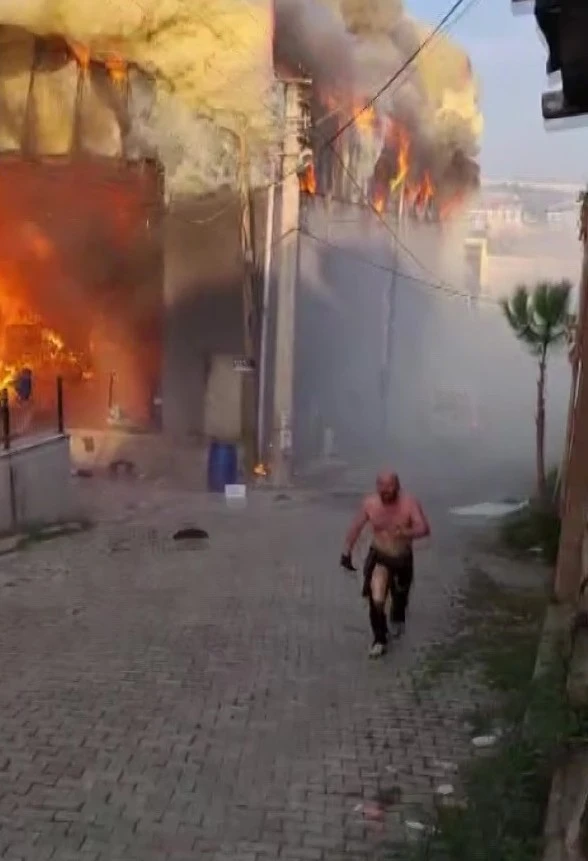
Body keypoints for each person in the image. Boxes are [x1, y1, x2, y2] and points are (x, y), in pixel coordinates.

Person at [340, 471, 430, 659]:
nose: (385, 490)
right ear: (377, 486)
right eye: (381, 485)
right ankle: (379, 639)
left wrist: (406, 532)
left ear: (397, 486)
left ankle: (398, 616)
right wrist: (346, 552)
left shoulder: (409, 503)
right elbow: (356, 526)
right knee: (377, 598)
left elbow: (423, 528)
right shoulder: (370, 504)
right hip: (380, 556)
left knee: (400, 595)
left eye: (389, 485)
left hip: (402, 558)